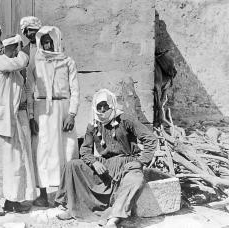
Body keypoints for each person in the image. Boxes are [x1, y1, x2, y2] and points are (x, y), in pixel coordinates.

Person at [55, 89, 158, 228]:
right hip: (105, 165)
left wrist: (141, 161)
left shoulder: (125, 119)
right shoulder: (93, 124)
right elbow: (85, 149)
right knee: (72, 165)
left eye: (106, 105)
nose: (103, 110)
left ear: (112, 105)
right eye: (99, 106)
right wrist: (94, 162)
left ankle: (114, 218)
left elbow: (150, 139)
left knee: (136, 180)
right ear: (95, 107)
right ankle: (72, 207)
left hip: (127, 164)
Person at [27, 25, 80, 207]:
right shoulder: (35, 61)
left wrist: (71, 114)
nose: (47, 45)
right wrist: (31, 116)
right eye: (44, 42)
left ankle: (62, 194)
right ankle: (42, 194)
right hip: (42, 110)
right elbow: (29, 90)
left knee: (64, 151)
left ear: (55, 41)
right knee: (41, 151)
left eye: (49, 42)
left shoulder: (67, 61)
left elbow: (75, 90)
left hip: (62, 109)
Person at [0, 34, 36, 216]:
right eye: (14, 48)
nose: (16, 51)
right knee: (0, 160)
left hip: (18, 118)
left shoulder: (16, 70)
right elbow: (22, 61)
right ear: (6, 48)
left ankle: (12, 198)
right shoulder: (0, 62)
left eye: (17, 48)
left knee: (18, 160)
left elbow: (24, 88)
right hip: (3, 121)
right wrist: (23, 51)